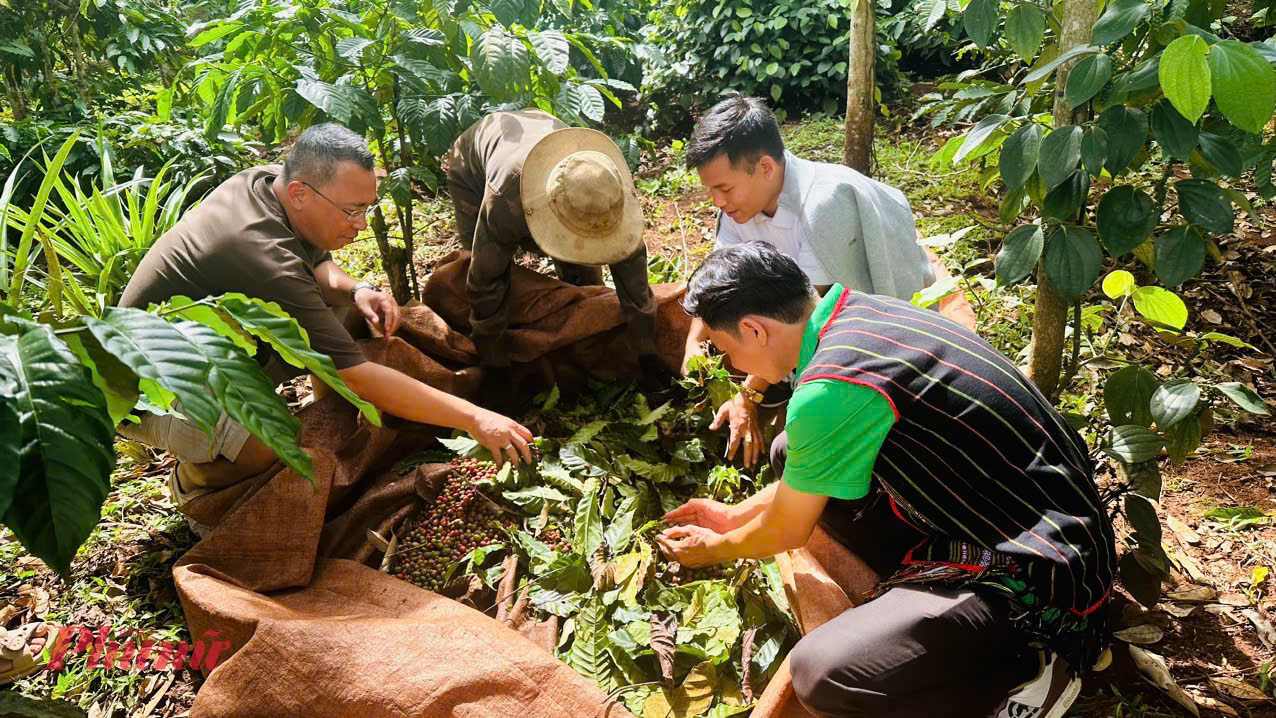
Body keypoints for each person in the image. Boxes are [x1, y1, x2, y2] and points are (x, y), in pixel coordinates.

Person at [656, 242, 1115, 718]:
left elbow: (786, 531)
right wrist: (732, 516)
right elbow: (809, 476)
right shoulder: (854, 311)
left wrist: (713, 547)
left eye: (728, 349)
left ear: (754, 329)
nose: (732, 366)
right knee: (787, 450)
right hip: (1013, 510)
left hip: (1043, 574)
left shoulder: (830, 391)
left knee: (822, 674)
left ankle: (1029, 672)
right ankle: (928, 618)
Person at [118, 123, 534, 518]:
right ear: (301, 193)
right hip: (141, 389)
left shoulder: (269, 183)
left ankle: (321, 419)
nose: (361, 224)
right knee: (270, 451)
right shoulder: (261, 254)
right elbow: (357, 375)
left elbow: (314, 264)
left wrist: (357, 289)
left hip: (214, 341)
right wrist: (476, 418)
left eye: (367, 209)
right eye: (352, 211)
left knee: (349, 308)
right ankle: (192, 478)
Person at [680, 95, 975, 469]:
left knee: (793, 448)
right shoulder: (739, 210)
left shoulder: (825, 205)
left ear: (766, 167)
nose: (717, 201)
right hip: (798, 327)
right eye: (711, 190)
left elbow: (807, 316)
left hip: (876, 338)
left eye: (724, 188)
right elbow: (721, 280)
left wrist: (748, 395)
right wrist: (694, 342)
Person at [446, 109, 667, 405]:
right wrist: (495, 365)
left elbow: (633, 277)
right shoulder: (505, 197)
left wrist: (647, 354)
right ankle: (490, 355)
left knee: (583, 281)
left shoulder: (605, 186)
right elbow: (485, 281)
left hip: (548, 148)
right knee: (478, 266)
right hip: (474, 165)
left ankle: (577, 343)